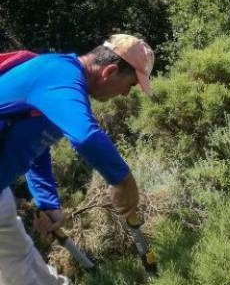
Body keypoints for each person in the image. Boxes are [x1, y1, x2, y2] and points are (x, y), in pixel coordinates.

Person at [0, 34, 154, 284]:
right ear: (110, 71)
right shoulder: (59, 75)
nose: (126, 94)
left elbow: (37, 145)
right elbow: (85, 136)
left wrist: (47, 202)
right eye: (131, 84)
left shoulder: (61, 82)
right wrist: (123, 181)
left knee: (24, 266)